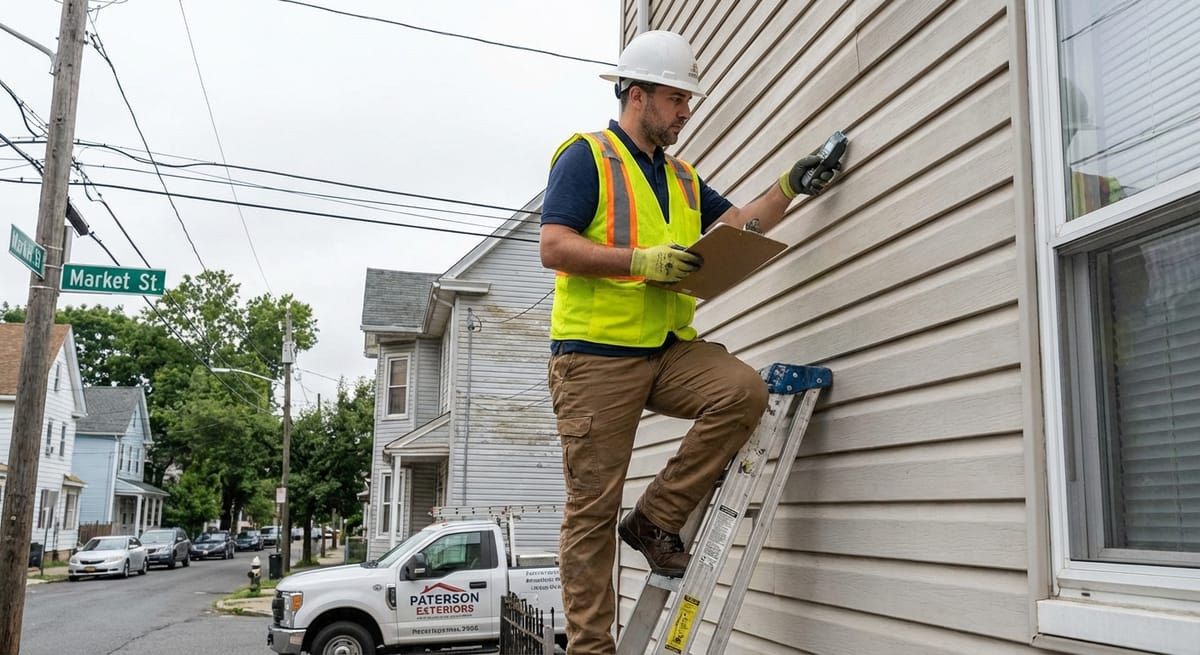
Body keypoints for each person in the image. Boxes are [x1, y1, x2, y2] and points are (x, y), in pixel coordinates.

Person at [539, 30, 840, 654]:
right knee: (592, 513)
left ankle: (655, 518)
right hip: (594, 360)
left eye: (687, 101)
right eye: (677, 98)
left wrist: (791, 184)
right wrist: (640, 262)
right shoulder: (586, 158)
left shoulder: (678, 177)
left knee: (741, 390)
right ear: (638, 94)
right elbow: (554, 246)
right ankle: (591, 648)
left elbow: (733, 225)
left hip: (666, 350)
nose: (685, 111)